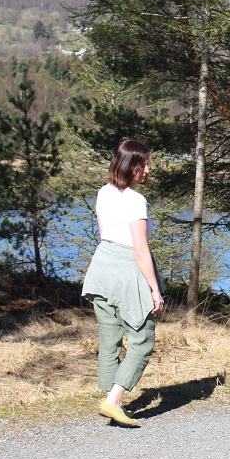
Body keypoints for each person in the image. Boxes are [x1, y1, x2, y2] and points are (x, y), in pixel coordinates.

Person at [82, 139, 165, 427]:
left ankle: (110, 395)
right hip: (126, 269)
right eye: (143, 165)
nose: (148, 170)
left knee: (110, 336)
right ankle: (114, 401)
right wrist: (154, 290)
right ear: (129, 166)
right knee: (142, 340)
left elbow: (104, 232)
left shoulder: (103, 192)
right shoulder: (135, 200)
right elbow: (139, 249)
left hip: (101, 266)